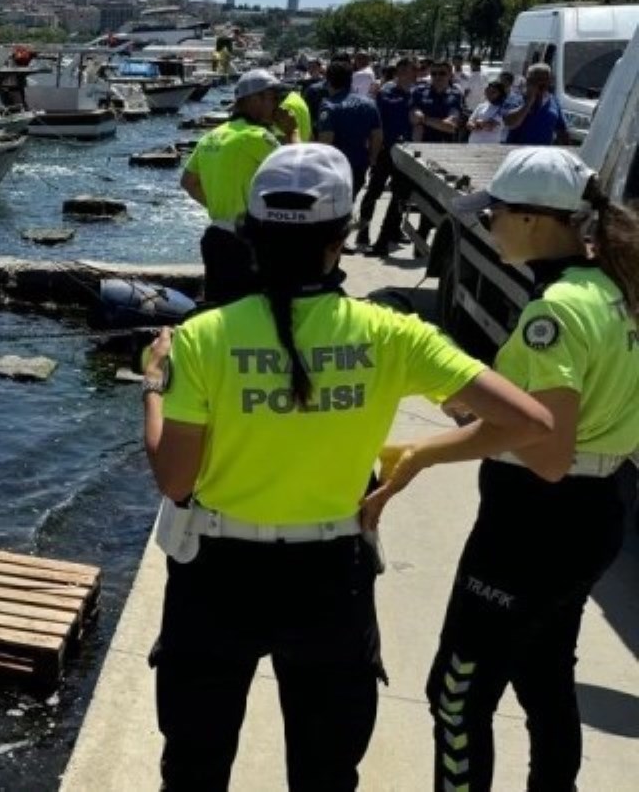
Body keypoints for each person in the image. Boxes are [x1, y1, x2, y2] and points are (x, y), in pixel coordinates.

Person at [142, 144, 552, 791]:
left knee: (195, 766)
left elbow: (174, 479)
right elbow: (528, 421)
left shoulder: (202, 338)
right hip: (330, 577)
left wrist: (153, 388)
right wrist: (421, 455)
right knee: (327, 772)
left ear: (250, 234)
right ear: (343, 239)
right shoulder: (392, 334)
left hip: (217, 576)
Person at [364, 148, 639, 791]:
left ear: (537, 220)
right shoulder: (613, 290)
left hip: (534, 525)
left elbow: (545, 451)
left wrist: (421, 456)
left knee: (458, 693)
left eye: (495, 216)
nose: (487, 228)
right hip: (598, 509)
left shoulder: (555, 314)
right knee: (545, 674)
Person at [180, 69, 298, 305]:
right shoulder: (256, 136)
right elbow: (301, 172)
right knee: (255, 310)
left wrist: (216, 202)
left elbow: (188, 182)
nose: (277, 105)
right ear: (254, 100)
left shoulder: (212, 136)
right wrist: (292, 132)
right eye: (272, 98)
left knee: (218, 308)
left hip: (216, 236)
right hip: (249, 243)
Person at [356, 57, 419, 254]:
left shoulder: (417, 94)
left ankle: (386, 237)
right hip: (385, 150)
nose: (416, 73)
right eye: (411, 70)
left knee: (398, 197)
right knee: (373, 192)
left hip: (406, 153)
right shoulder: (385, 93)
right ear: (400, 72)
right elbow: (374, 124)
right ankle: (363, 231)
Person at [316, 59, 383, 197]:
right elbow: (377, 135)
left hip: (334, 168)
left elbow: (325, 141)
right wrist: (372, 158)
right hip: (359, 163)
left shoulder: (329, 107)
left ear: (328, 80)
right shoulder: (369, 104)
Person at [503, 63, 570, 146]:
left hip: (543, 153)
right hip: (518, 151)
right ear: (528, 80)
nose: (541, 83)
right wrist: (529, 101)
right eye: (536, 79)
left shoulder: (553, 100)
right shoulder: (516, 97)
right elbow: (511, 123)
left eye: (545, 79)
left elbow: (562, 130)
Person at [411, 60, 464, 143]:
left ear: (450, 75)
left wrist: (424, 119)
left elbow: (451, 126)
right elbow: (413, 116)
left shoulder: (455, 95)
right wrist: (439, 123)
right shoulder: (419, 91)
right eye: (433, 74)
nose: (437, 76)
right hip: (421, 144)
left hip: (444, 146)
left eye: (442, 73)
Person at [466, 80, 511, 144]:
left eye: (493, 92)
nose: (489, 94)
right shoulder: (481, 106)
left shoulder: (503, 108)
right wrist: (474, 125)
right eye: (488, 91)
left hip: (490, 145)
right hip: (473, 142)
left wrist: (478, 122)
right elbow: (469, 123)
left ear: (500, 93)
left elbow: (491, 125)